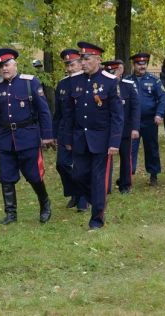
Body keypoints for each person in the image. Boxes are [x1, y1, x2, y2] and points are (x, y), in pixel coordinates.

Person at [0, 48, 53, 224]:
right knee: (6, 177)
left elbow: (44, 110)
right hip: (5, 139)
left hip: (28, 137)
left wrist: (47, 135)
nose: (5, 69)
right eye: (1, 66)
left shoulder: (29, 82)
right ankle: (11, 214)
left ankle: (45, 204)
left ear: (15, 64)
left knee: (34, 175)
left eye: (7, 65)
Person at [63, 43, 123, 231]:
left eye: (87, 59)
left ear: (98, 60)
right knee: (78, 176)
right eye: (81, 59)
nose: (83, 62)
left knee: (98, 180)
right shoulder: (75, 81)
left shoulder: (110, 81)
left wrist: (114, 142)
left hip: (102, 141)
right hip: (80, 138)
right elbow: (68, 113)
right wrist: (67, 138)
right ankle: (97, 200)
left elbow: (117, 115)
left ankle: (96, 219)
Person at [52, 49, 89, 212]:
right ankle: (74, 190)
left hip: (82, 131)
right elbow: (58, 113)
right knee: (61, 164)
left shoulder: (88, 81)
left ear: (81, 63)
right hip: (64, 131)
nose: (69, 68)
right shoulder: (62, 84)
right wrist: (53, 134)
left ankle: (83, 200)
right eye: (67, 65)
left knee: (81, 166)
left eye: (72, 65)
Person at [124, 53, 165, 186]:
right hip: (132, 122)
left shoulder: (155, 80)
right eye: (139, 64)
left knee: (151, 148)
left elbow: (162, 99)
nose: (142, 66)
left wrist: (159, 114)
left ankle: (153, 174)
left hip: (150, 121)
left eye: (144, 64)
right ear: (134, 65)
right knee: (130, 149)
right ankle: (128, 175)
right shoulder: (127, 81)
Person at [101, 60, 140, 194]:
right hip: (107, 130)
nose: (110, 75)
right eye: (107, 72)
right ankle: (106, 187)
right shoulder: (102, 86)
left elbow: (135, 107)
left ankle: (125, 184)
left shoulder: (128, 86)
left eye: (113, 72)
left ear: (119, 71)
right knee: (106, 159)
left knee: (125, 157)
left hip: (124, 129)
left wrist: (135, 127)